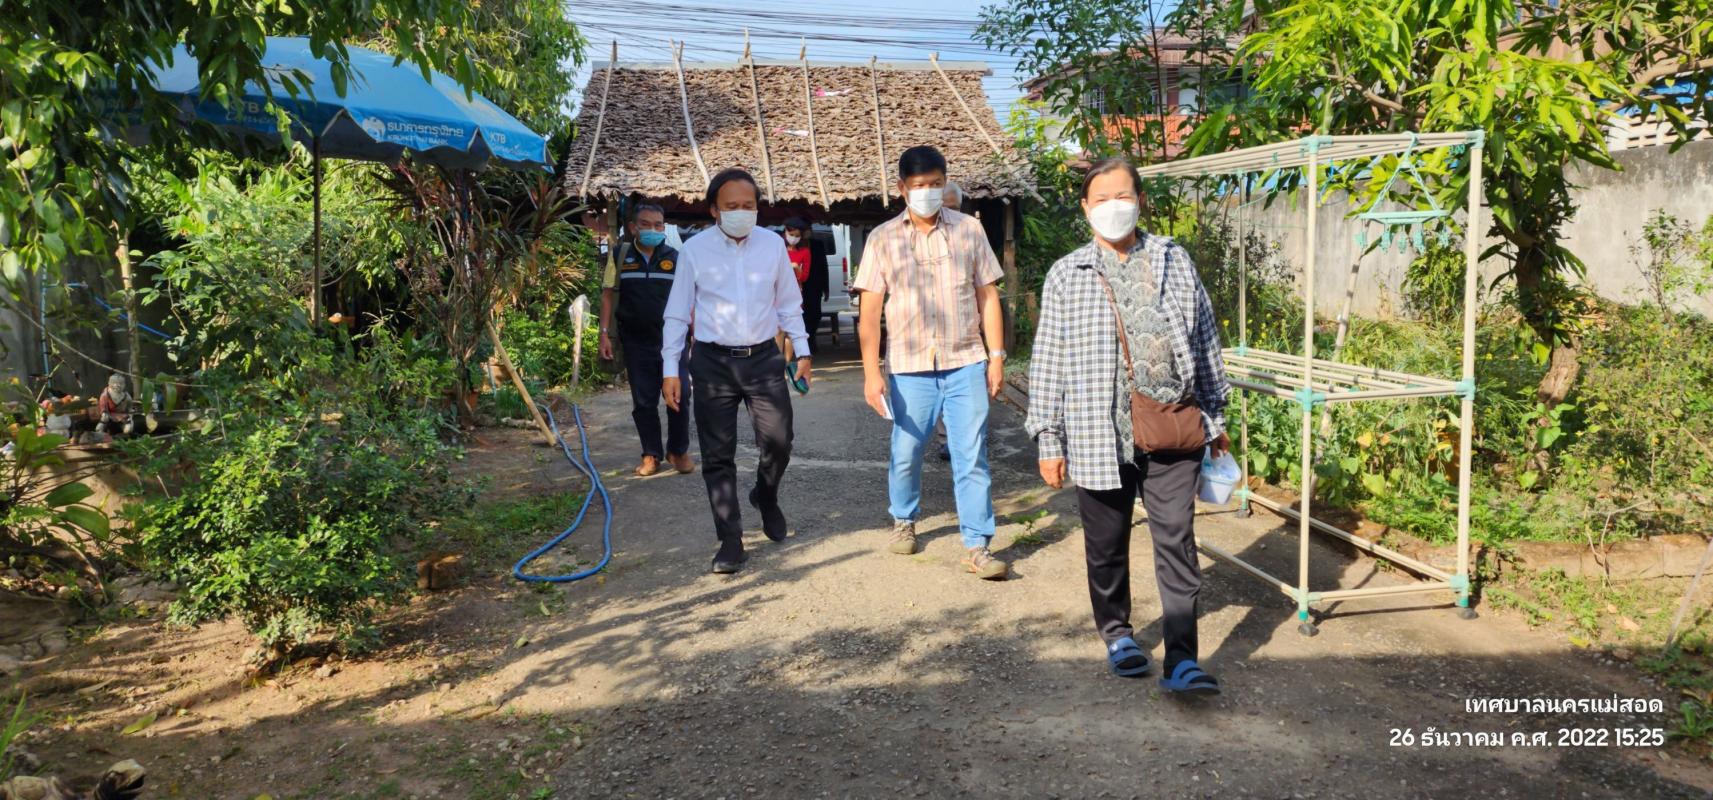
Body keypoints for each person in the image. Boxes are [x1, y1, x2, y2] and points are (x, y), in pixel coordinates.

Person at [1025, 157, 1231, 695]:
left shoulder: (1173, 260)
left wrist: (1215, 417)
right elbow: (1049, 360)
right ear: (1085, 208)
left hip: (1171, 426)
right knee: (1107, 543)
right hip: (1098, 432)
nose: (1114, 207)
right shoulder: (1067, 274)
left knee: (1176, 539)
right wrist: (1049, 438)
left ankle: (1182, 659)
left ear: (1140, 200)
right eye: (1102, 199)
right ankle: (1118, 634)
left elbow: (1205, 340)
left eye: (1123, 196)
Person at [855, 146, 1009, 580]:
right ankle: (904, 519)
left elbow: (988, 296)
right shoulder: (883, 238)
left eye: (935, 184)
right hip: (909, 367)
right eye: (919, 185)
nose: (928, 192)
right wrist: (871, 373)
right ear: (902, 188)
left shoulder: (969, 230)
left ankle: (978, 545)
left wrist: (996, 357)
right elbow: (870, 312)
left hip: (966, 361)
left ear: (945, 183)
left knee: (971, 455)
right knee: (905, 451)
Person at [663, 168, 813, 574]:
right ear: (714, 210)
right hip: (712, 362)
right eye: (731, 206)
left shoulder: (772, 245)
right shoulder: (695, 251)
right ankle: (730, 540)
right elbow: (677, 313)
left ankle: (766, 495)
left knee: (779, 440)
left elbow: (789, 303)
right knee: (717, 455)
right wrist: (670, 368)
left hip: (763, 358)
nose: (741, 212)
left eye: (749, 205)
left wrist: (802, 350)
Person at [599, 204, 695, 477]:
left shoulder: (676, 258)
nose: (653, 229)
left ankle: (678, 451)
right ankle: (651, 454)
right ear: (633, 228)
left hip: (673, 342)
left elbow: (689, 299)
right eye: (645, 224)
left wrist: (696, 334)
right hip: (636, 341)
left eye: (658, 225)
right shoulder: (619, 256)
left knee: (681, 396)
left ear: (664, 228)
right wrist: (603, 334)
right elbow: (607, 295)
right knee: (643, 401)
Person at [783, 217, 831, 351]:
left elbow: (823, 267)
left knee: (814, 314)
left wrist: (826, 288)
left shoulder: (816, 245)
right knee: (795, 316)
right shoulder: (782, 246)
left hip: (813, 285)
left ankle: (811, 340)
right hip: (793, 287)